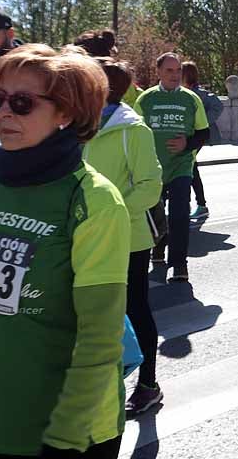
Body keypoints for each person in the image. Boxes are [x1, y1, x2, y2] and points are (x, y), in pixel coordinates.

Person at [0, 44, 130, 458]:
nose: (2, 113)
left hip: (65, 433)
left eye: (21, 103)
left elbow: (99, 338)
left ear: (66, 113)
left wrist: (66, 437)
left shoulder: (93, 200)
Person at [83, 57, 165, 416]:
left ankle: (148, 384)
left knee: (134, 309)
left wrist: (109, 216)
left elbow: (150, 187)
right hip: (86, 237)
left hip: (127, 237)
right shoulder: (78, 126)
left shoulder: (135, 130)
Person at [135, 53, 210, 283]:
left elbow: (204, 133)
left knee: (179, 216)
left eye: (178, 71)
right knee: (155, 215)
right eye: (169, 71)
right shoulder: (145, 100)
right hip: (153, 170)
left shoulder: (191, 99)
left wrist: (186, 144)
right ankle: (157, 252)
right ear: (158, 72)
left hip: (181, 168)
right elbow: (135, 134)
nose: (175, 75)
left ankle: (179, 265)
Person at [181, 61, 223, 219]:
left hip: (195, 137)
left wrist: (203, 121)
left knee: (189, 168)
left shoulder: (199, 93)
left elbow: (218, 105)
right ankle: (198, 204)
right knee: (191, 168)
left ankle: (196, 204)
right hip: (188, 137)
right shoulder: (182, 91)